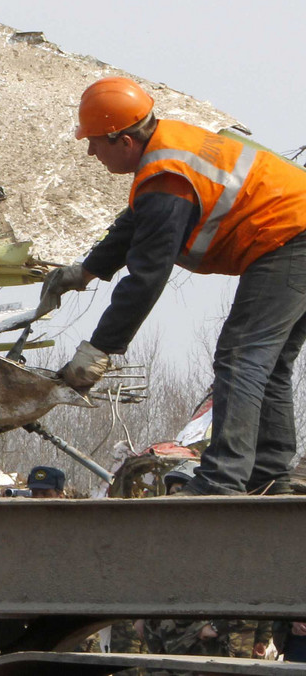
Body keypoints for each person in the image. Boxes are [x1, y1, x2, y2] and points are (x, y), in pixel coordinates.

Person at [44, 76, 306, 496]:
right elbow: (135, 224)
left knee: (241, 356)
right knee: (268, 360)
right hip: (294, 233)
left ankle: (221, 481)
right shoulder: (169, 148)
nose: (91, 151)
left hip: (289, 236)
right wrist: (87, 271)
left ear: (124, 140)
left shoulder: (167, 179)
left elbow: (147, 278)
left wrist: (98, 350)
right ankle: (272, 473)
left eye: (95, 142)